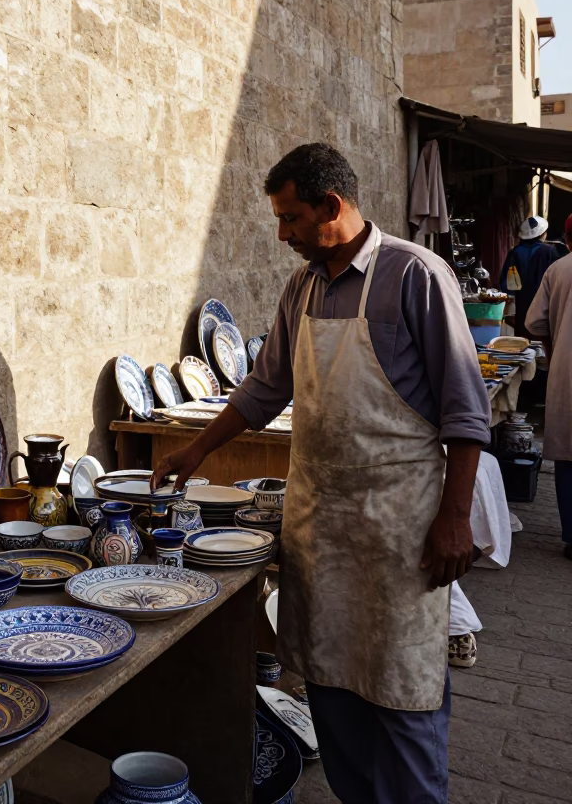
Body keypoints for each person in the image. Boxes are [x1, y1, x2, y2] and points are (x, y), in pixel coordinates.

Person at [152, 143, 490, 804]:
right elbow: (264, 388)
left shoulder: (416, 275)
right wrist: (197, 450)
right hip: (320, 531)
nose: (283, 235)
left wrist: (455, 517)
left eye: (291, 218)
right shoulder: (302, 288)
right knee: (332, 688)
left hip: (399, 535)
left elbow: (465, 411)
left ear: (331, 206)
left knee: (402, 693)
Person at [524, 214, 572, 559]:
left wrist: (556, 339)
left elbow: (534, 322)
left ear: (567, 240)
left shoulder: (558, 270)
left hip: (566, 372)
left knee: (568, 455)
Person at [501, 215, 561, 338]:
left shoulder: (514, 253)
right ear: (542, 234)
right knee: (543, 342)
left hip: (521, 309)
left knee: (523, 343)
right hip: (544, 308)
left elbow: (506, 286)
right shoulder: (550, 251)